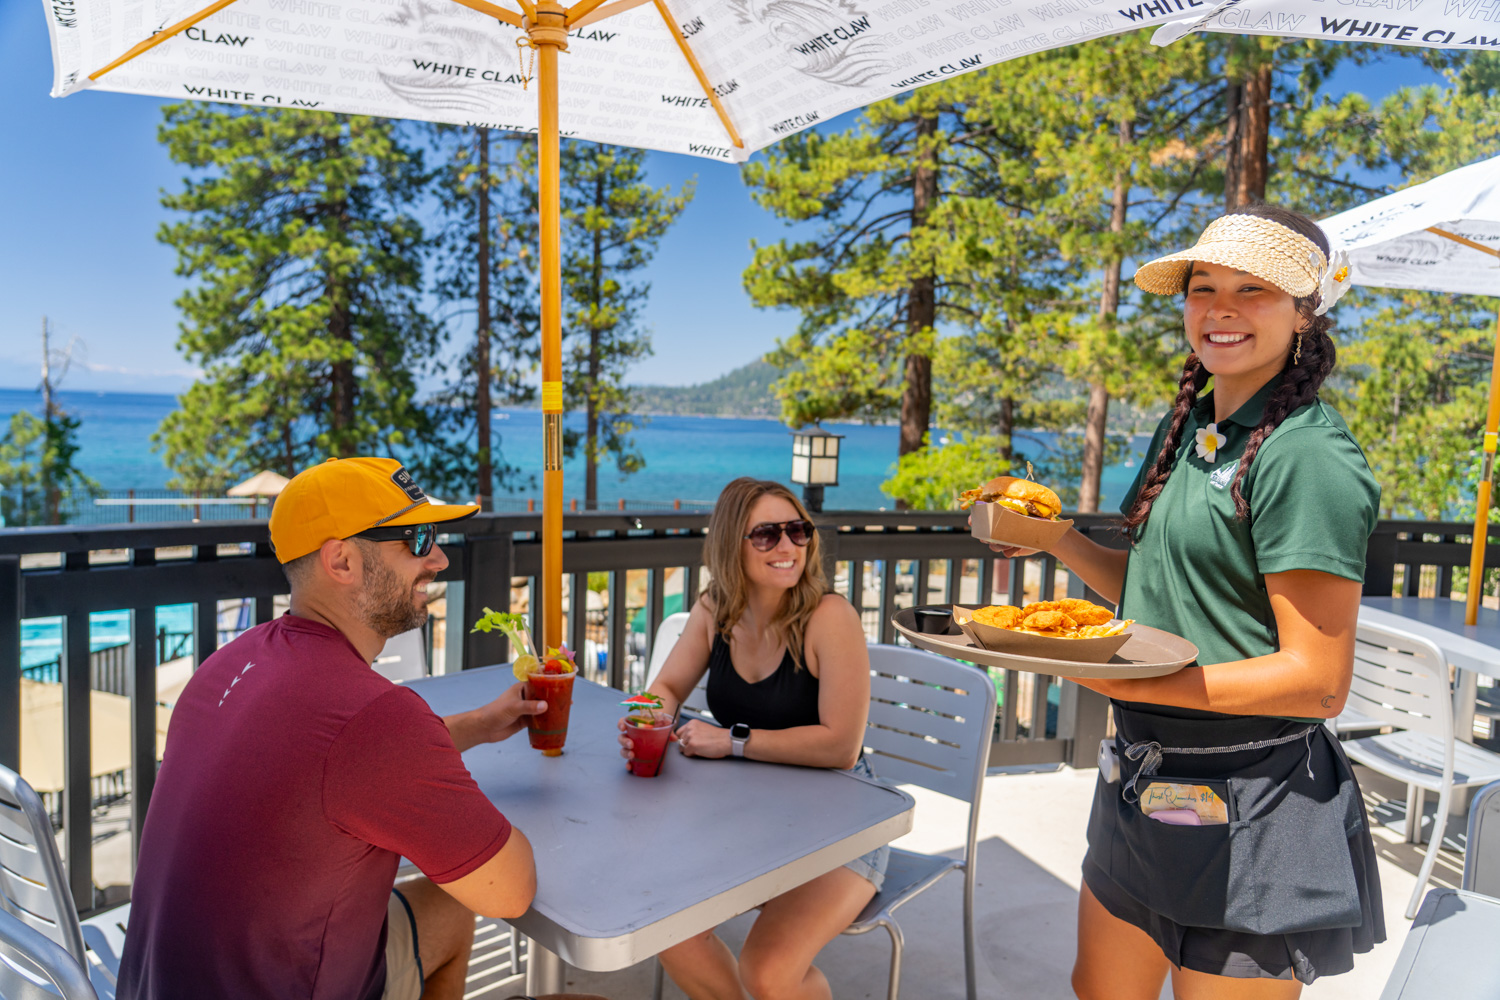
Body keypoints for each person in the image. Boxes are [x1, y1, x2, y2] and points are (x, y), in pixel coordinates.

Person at [993, 205, 1384, 998]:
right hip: (1141, 782)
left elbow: (1317, 682)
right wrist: (1057, 540)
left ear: (1304, 312)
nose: (1220, 308)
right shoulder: (1191, 429)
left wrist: (1122, 678)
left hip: (1252, 800)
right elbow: (1154, 591)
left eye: (1253, 289)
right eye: (1203, 287)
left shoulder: (1307, 456)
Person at [118, 457, 604, 1000]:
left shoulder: (229, 664)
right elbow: (510, 892)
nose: (439, 559)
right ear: (342, 560)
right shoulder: (374, 717)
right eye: (418, 539)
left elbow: (329, 762)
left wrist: (479, 726)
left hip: (160, 983)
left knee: (446, 907)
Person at [618, 477, 881, 1000]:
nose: (787, 546)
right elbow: (666, 688)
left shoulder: (830, 617)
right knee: (663, 923)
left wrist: (732, 741)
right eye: (766, 534)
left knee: (768, 973)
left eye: (797, 531)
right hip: (748, 814)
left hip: (842, 822)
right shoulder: (716, 609)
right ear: (730, 545)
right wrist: (648, 720)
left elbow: (841, 747)